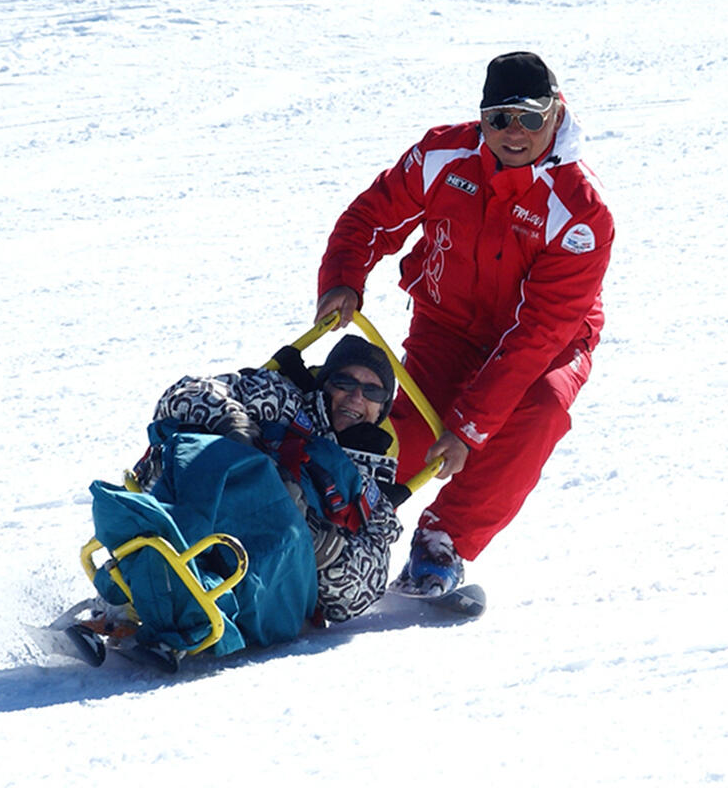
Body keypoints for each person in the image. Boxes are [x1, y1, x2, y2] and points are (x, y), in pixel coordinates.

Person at [315, 51, 614, 597]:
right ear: (482, 119)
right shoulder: (443, 155)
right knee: (403, 440)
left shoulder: (580, 213)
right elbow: (371, 216)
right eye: (500, 118)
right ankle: (318, 522)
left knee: (535, 413)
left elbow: (536, 336)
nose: (514, 131)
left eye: (530, 116)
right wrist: (343, 276)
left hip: (547, 347)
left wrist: (469, 428)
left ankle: (442, 540)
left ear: (556, 111)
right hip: (446, 323)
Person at [131, 334, 403, 625]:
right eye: (344, 383)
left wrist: (320, 544)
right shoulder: (280, 400)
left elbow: (361, 593)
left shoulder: (371, 492)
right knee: (192, 447)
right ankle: (147, 588)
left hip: (264, 575)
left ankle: (174, 602)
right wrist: (231, 422)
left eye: (372, 392)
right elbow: (185, 394)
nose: (356, 397)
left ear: (382, 409)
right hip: (200, 501)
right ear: (325, 383)